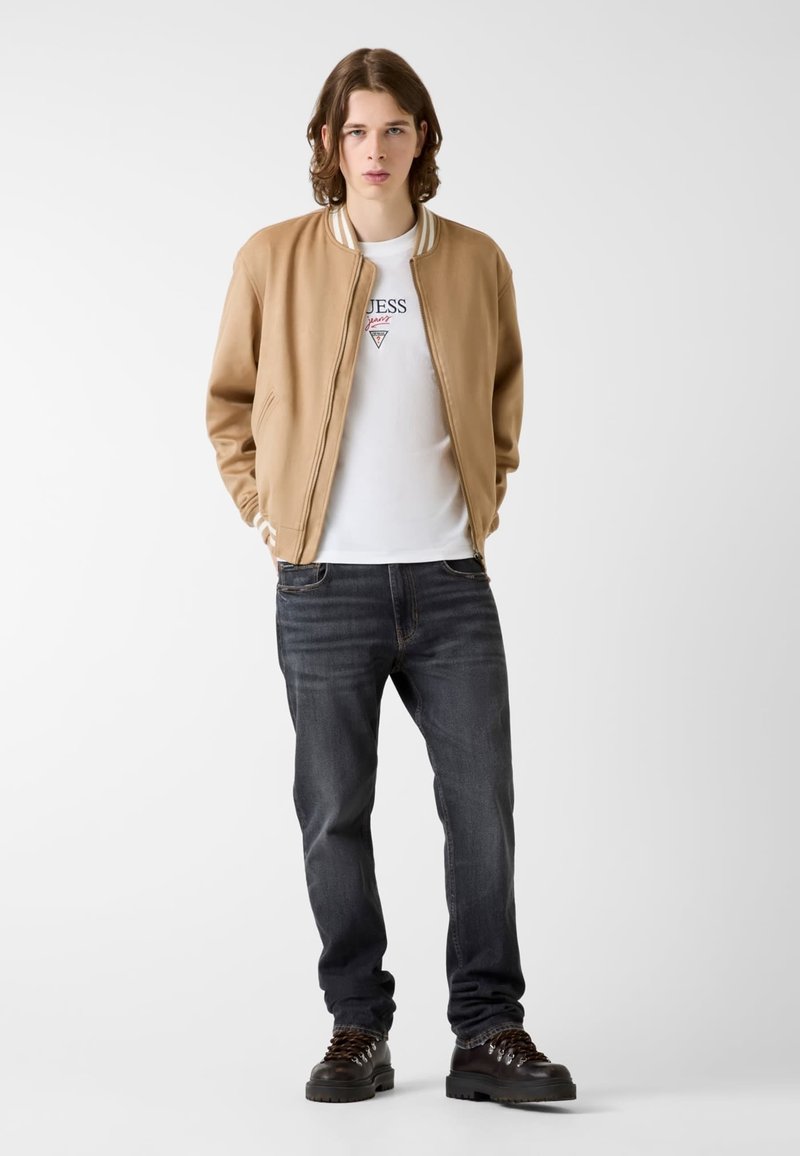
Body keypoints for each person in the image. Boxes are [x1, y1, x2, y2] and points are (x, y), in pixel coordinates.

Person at [205, 46, 576, 1106]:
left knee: (482, 807)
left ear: (423, 140)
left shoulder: (474, 261)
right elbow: (229, 403)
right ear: (329, 144)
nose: (374, 150)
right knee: (334, 814)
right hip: (323, 587)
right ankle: (356, 1027)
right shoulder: (271, 258)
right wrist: (267, 511)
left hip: (451, 582)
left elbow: (502, 397)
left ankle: (487, 1032)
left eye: (394, 129)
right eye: (356, 131)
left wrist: (482, 504)